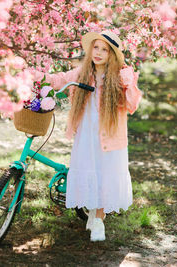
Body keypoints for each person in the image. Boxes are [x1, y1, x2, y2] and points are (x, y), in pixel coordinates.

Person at [32, 30, 142, 241]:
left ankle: (100, 219)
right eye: (96, 47)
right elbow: (57, 80)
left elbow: (132, 104)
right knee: (90, 171)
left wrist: (129, 82)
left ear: (112, 55)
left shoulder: (119, 75)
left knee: (105, 173)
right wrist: (34, 75)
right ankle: (92, 211)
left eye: (104, 49)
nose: (98, 53)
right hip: (86, 133)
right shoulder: (83, 73)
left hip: (109, 135)